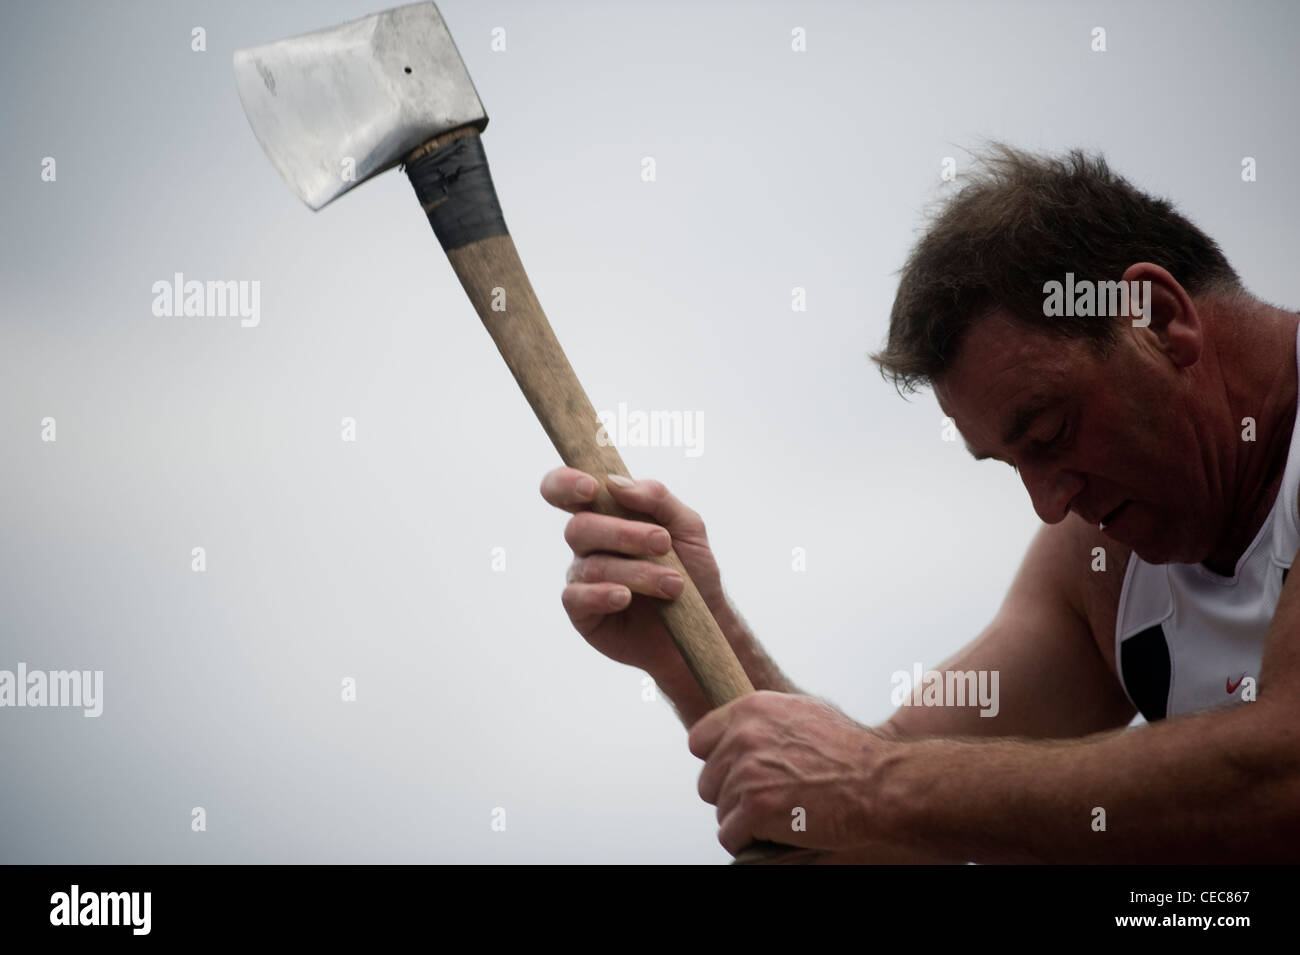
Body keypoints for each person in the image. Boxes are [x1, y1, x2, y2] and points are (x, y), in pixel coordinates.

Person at [539, 145, 1300, 862]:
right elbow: (856, 824)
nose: (1048, 503)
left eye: (1051, 430)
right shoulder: (1098, 565)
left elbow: (1281, 775)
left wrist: (871, 782)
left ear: (1159, 319)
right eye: (1011, 464)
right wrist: (693, 636)